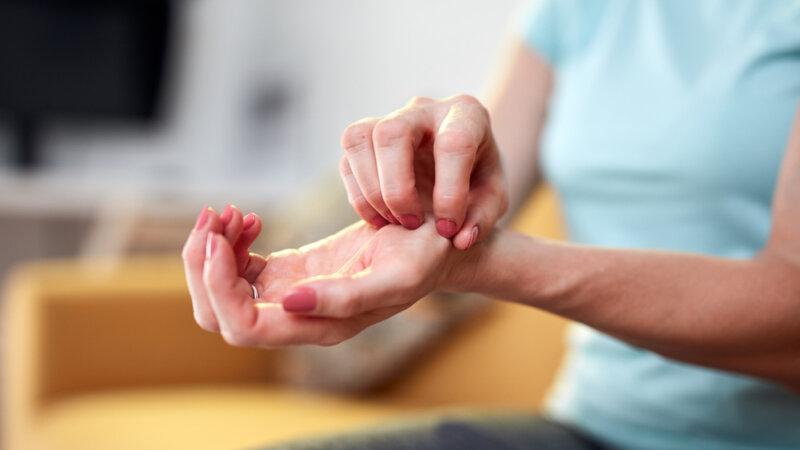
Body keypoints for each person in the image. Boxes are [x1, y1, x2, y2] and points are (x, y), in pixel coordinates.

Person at [182, 1, 800, 448]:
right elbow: (469, 195)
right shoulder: (576, 11)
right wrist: (432, 180)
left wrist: (482, 261)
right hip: (589, 428)